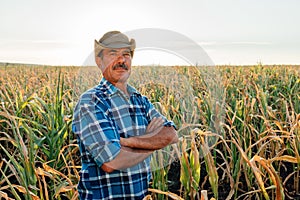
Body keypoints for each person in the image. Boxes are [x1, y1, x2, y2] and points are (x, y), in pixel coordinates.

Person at [72, 31, 178, 200]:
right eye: (113, 53)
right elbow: (111, 162)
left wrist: (127, 142)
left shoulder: (140, 100)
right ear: (99, 61)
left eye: (126, 54)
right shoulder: (91, 102)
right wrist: (152, 141)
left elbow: (171, 134)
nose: (121, 60)